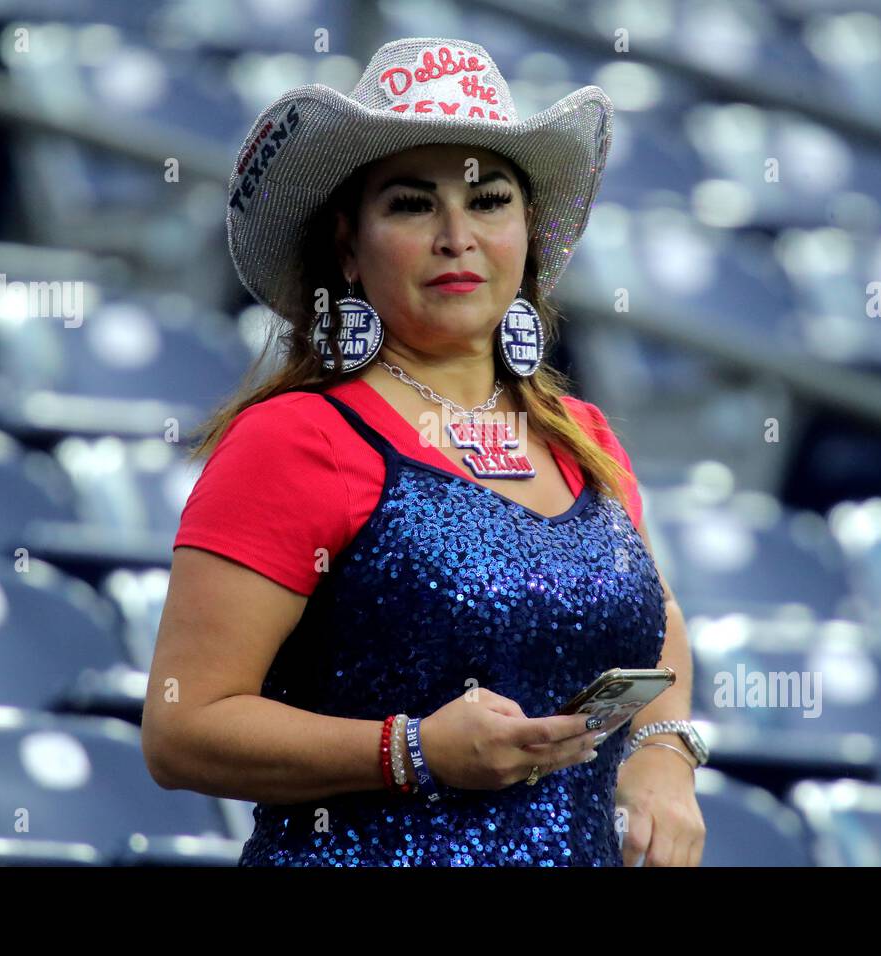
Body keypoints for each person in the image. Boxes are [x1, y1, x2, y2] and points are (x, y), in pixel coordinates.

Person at [142, 37, 706, 866]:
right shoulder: (297, 437)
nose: (456, 236)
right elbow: (182, 727)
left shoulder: (582, 433)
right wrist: (412, 752)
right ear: (348, 246)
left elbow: (660, 631)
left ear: (526, 232)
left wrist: (664, 758)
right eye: (412, 204)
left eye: (489, 201)